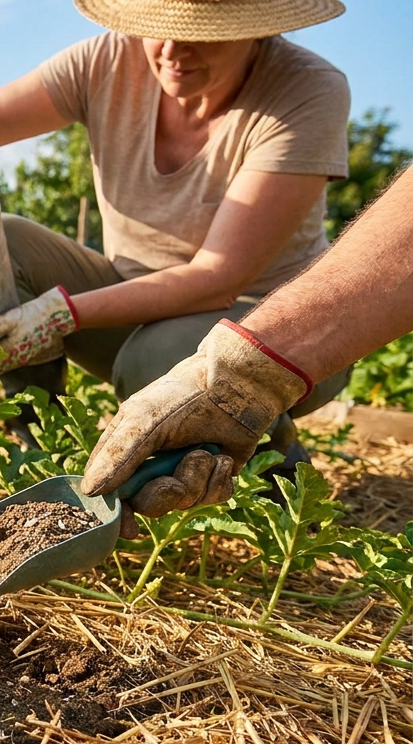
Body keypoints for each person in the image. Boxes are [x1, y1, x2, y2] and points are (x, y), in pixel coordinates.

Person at [0, 0, 351, 468]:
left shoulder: (305, 90)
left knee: (157, 360)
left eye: (203, 35)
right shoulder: (108, 61)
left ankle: (279, 476)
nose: (171, 51)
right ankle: (35, 449)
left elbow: (218, 276)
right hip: (138, 311)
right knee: (3, 244)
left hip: (279, 331)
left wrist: (60, 314)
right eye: (157, 27)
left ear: (258, 29)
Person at [82, 166, 413, 537]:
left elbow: (215, 275)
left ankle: (279, 463)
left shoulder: (298, 111)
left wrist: (244, 380)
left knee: (147, 359)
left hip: (251, 313)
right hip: (148, 313)